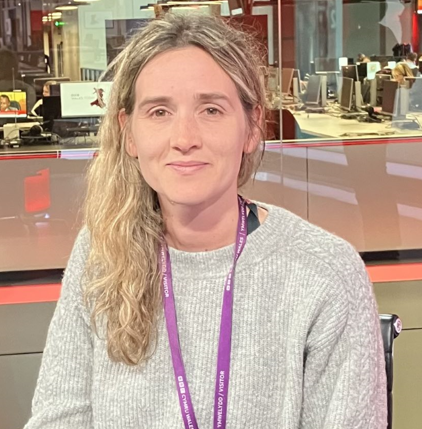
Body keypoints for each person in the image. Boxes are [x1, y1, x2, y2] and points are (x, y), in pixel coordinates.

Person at [24, 13, 387, 429]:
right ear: (129, 134)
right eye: (159, 112)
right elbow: (60, 418)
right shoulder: (102, 250)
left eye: (211, 109)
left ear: (251, 128)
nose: (184, 138)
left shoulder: (325, 273)